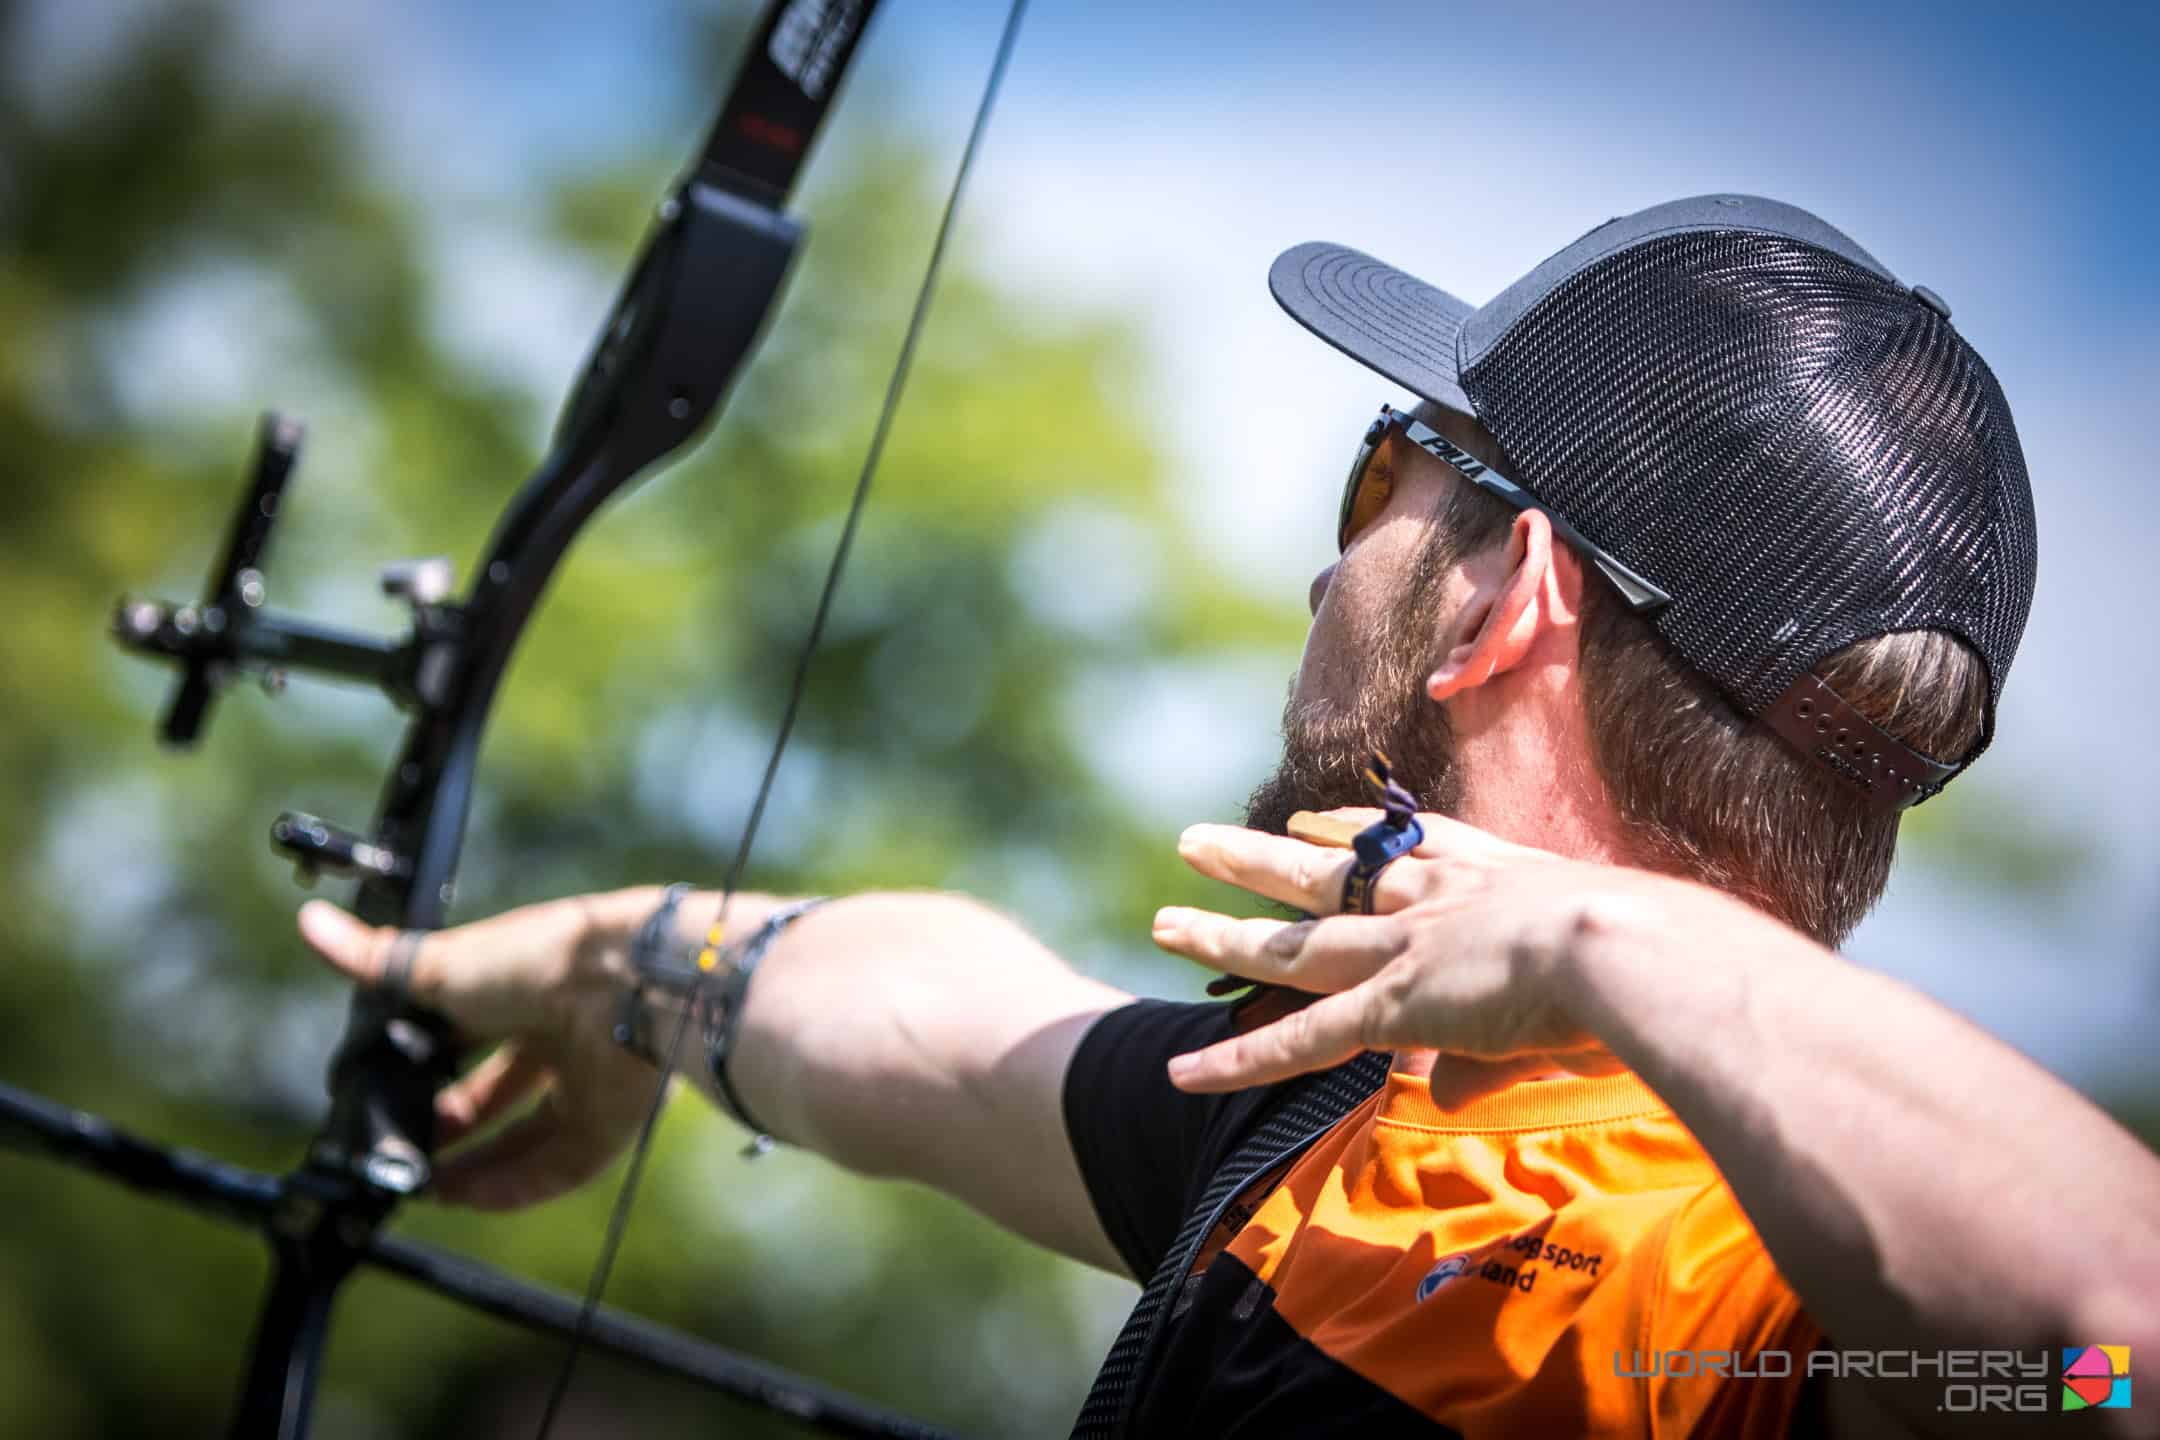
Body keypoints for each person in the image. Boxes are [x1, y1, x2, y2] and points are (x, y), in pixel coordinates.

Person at [295, 195, 2159, 1438]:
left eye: (1384, 479)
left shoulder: (1740, 1319)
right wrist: (617, 967)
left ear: (1510, 598)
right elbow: (932, 1024)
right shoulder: (1344, 1159)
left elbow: (2113, 1351)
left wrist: (1604, 937)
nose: (1328, 563)